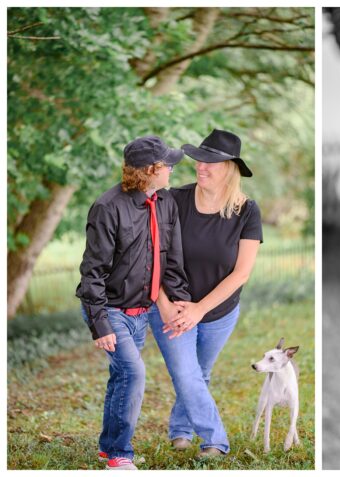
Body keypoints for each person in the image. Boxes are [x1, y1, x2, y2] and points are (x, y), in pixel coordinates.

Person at [77, 135, 190, 470]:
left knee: (121, 376)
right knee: (134, 372)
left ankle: (107, 446)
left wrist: (179, 301)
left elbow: (172, 259)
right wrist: (100, 323)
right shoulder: (107, 207)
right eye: (167, 164)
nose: (172, 169)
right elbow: (92, 272)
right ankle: (120, 454)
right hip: (111, 309)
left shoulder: (165, 202)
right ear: (151, 170)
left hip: (143, 311)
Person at [149, 129, 262, 458]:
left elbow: (242, 272)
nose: (201, 166)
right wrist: (165, 304)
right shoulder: (173, 200)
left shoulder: (247, 212)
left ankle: (181, 429)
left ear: (230, 167)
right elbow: (150, 254)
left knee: (199, 372)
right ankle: (215, 440)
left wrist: (199, 309)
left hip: (219, 312)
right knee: (186, 372)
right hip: (170, 305)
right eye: (199, 159)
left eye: (211, 162)